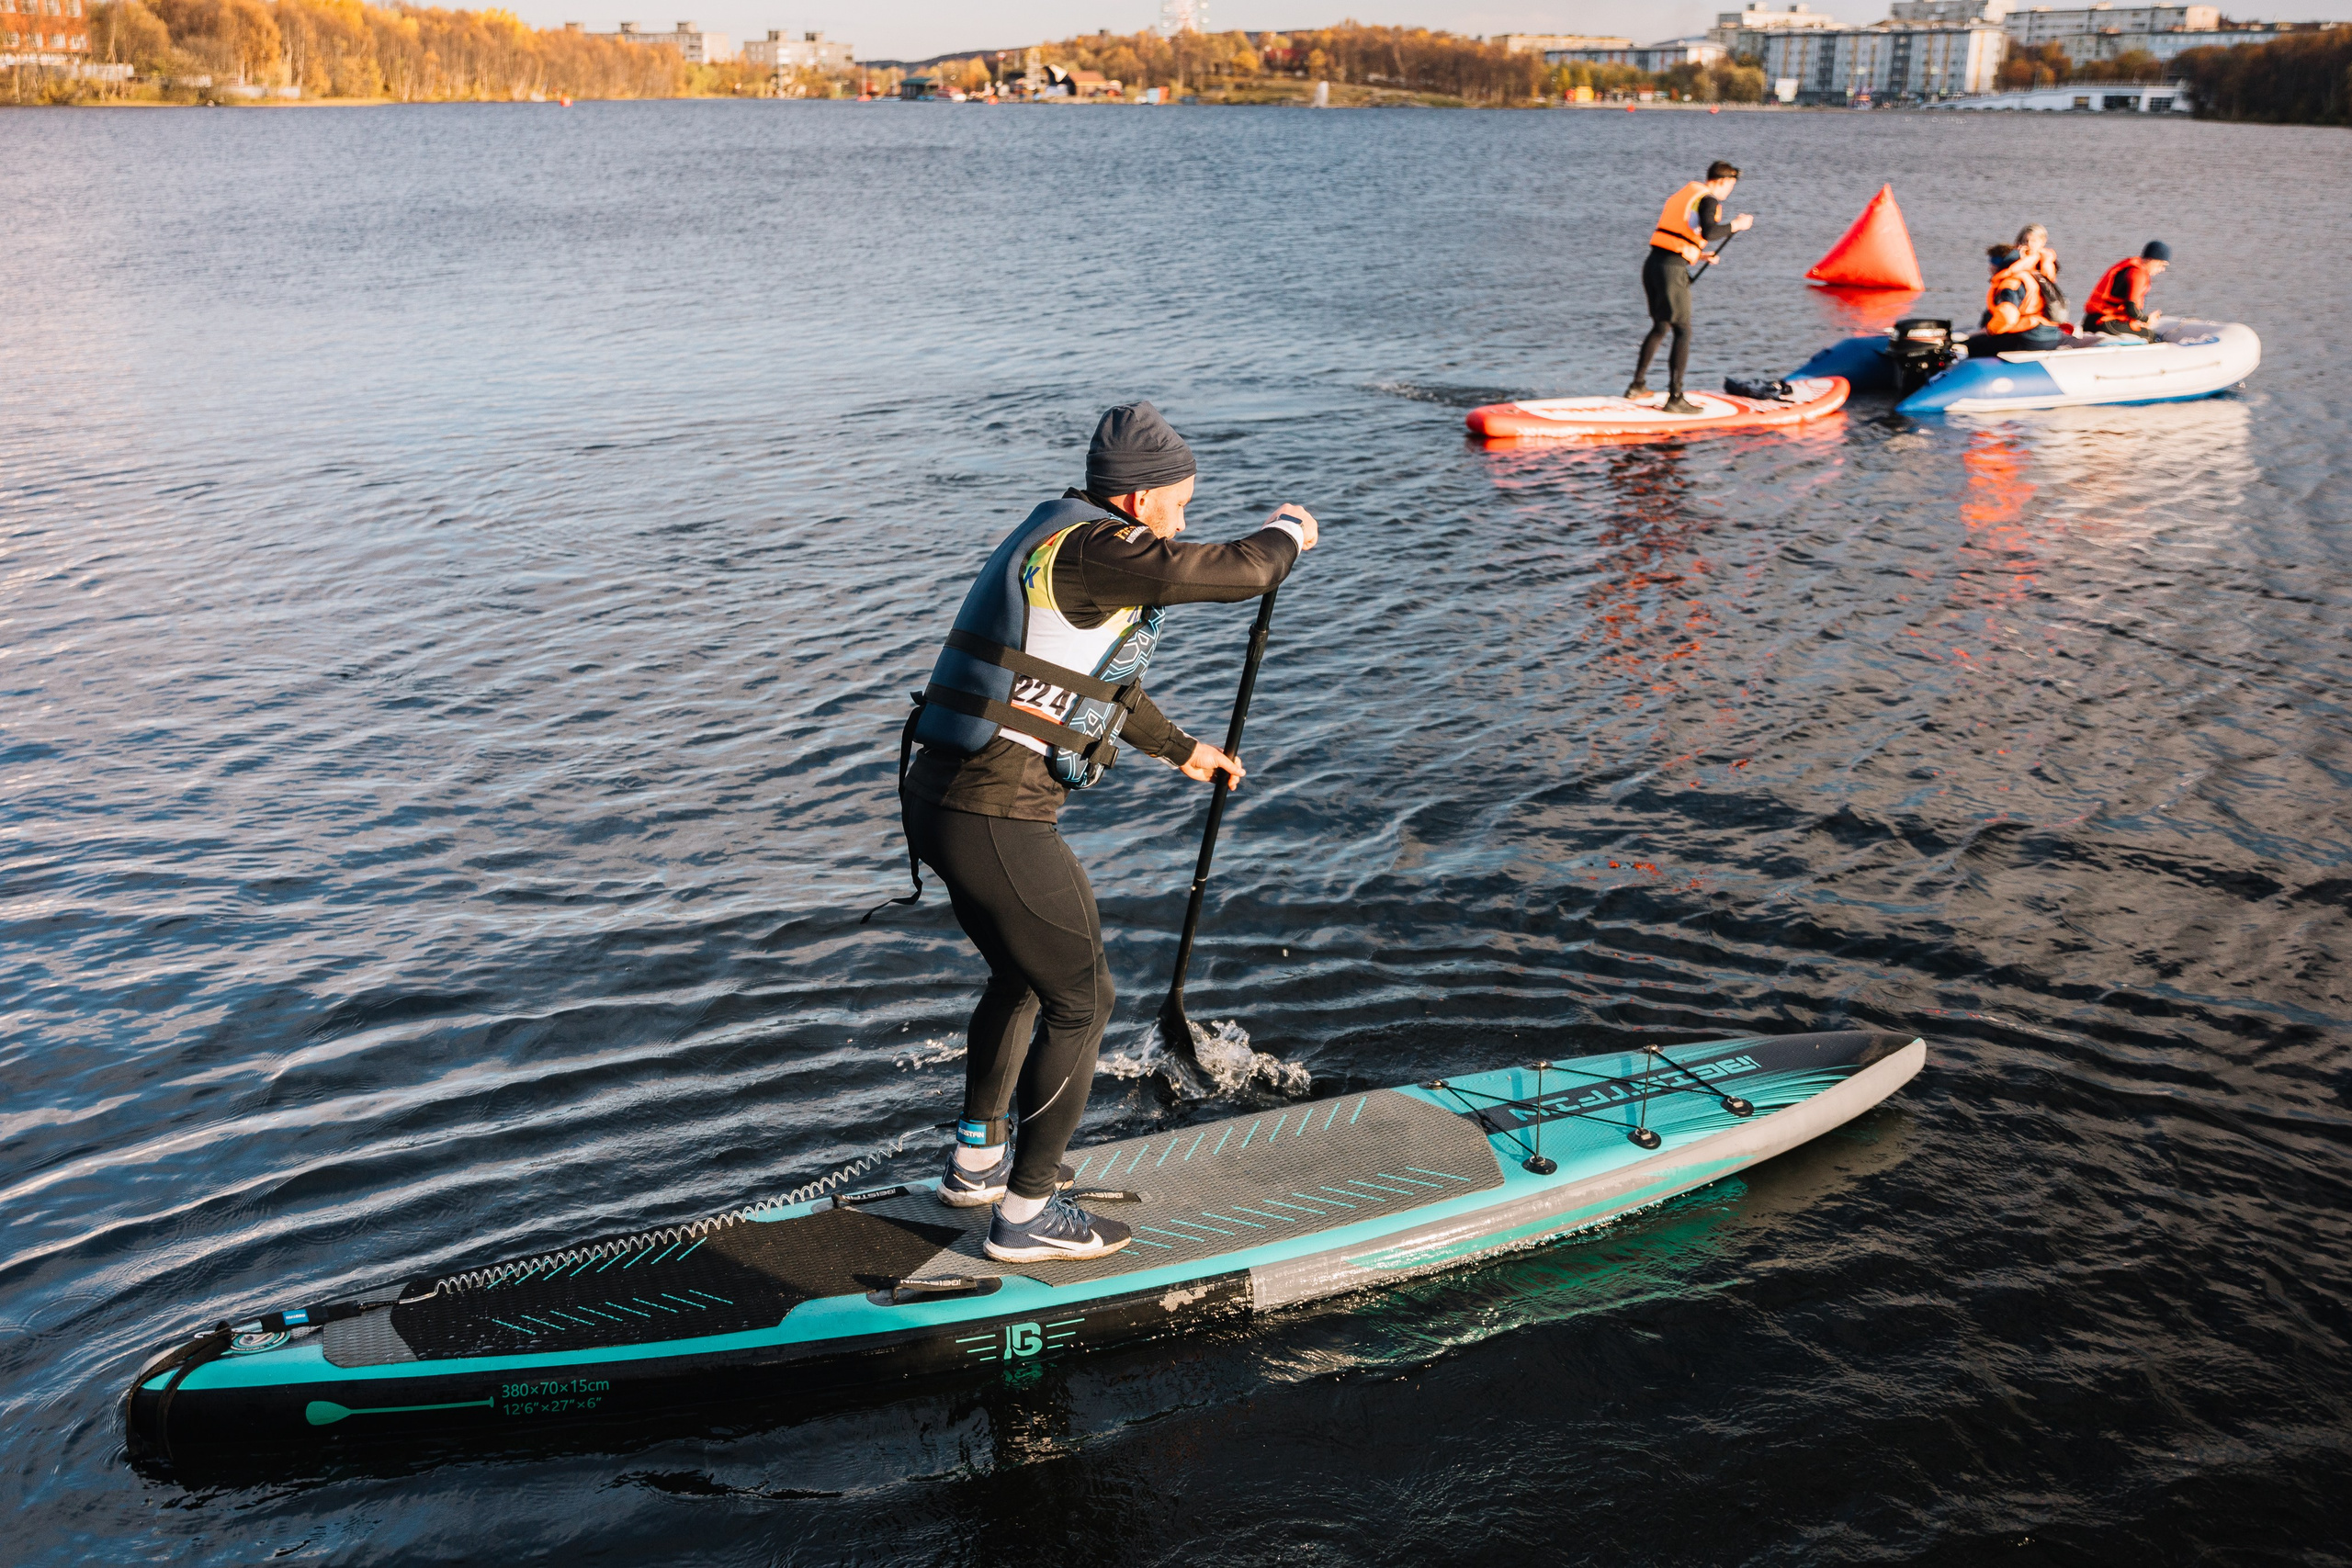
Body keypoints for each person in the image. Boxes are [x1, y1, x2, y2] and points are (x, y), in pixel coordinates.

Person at [888, 401, 1320, 1262]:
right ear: (1136, 503)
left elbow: (1071, 679)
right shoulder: (1096, 549)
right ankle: (1027, 1213)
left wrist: (1181, 750)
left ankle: (977, 1165)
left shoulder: (1064, 544)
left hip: (944, 797)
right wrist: (1288, 534)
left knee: (1024, 975)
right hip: (993, 811)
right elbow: (1240, 572)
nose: (1183, 523)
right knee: (1086, 998)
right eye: (1179, 505)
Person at [1628, 159, 1754, 415]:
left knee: (1662, 326)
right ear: (1724, 181)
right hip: (1671, 272)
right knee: (1683, 330)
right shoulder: (1708, 199)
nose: (1731, 191)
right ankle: (1676, 398)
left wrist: (1700, 254)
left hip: (1654, 265)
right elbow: (1710, 231)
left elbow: (1681, 236)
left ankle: (1637, 386)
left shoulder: (1686, 194)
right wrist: (1736, 225)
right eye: (1731, 185)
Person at [1973, 243, 2064, 355]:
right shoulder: (2033, 276)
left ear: (2004, 263)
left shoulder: (2011, 283)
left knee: (1975, 343)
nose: (1990, 267)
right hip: (2050, 337)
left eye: (1994, 261)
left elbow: (2008, 317)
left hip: (2030, 340)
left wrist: (1989, 330)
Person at [2081, 242, 2172, 337]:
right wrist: (2147, 319)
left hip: (2091, 322)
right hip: (2105, 323)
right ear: (2151, 260)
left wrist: (2141, 321)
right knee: (2153, 337)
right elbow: (2131, 309)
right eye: (2161, 265)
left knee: (2140, 331)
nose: (2162, 269)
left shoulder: (2131, 269)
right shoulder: (2138, 273)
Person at [2015, 223, 2068, 326]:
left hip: (2040, 315)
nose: (2029, 244)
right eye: (2026, 241)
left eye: (2034, 241)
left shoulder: (2048, 262)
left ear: (2043, 242)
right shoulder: (2014, 260)